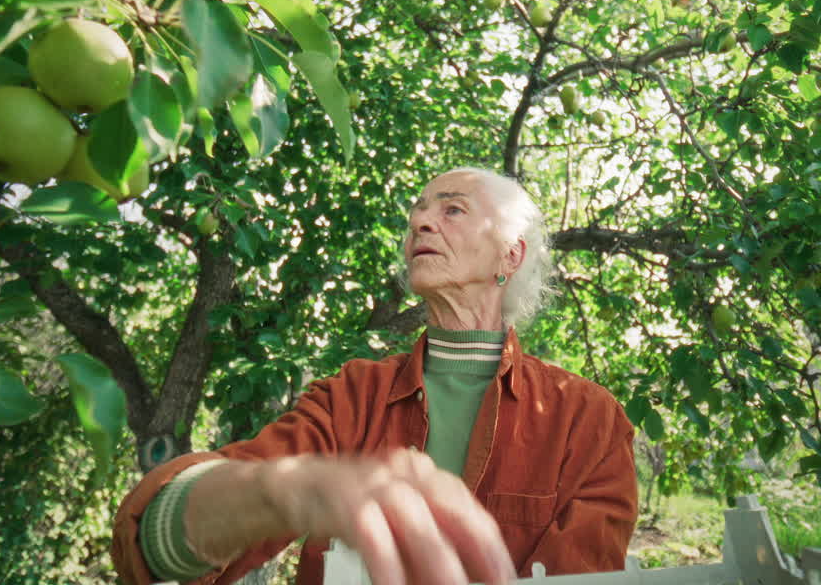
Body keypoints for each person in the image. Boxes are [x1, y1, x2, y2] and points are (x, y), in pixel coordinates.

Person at [112, 167, 638, 585]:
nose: (421, 223)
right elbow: (150, 549)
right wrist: (278, 491)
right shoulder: (352, 397)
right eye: (417, 213)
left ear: (511, 253)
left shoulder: (588, 420)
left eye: (452, 209)